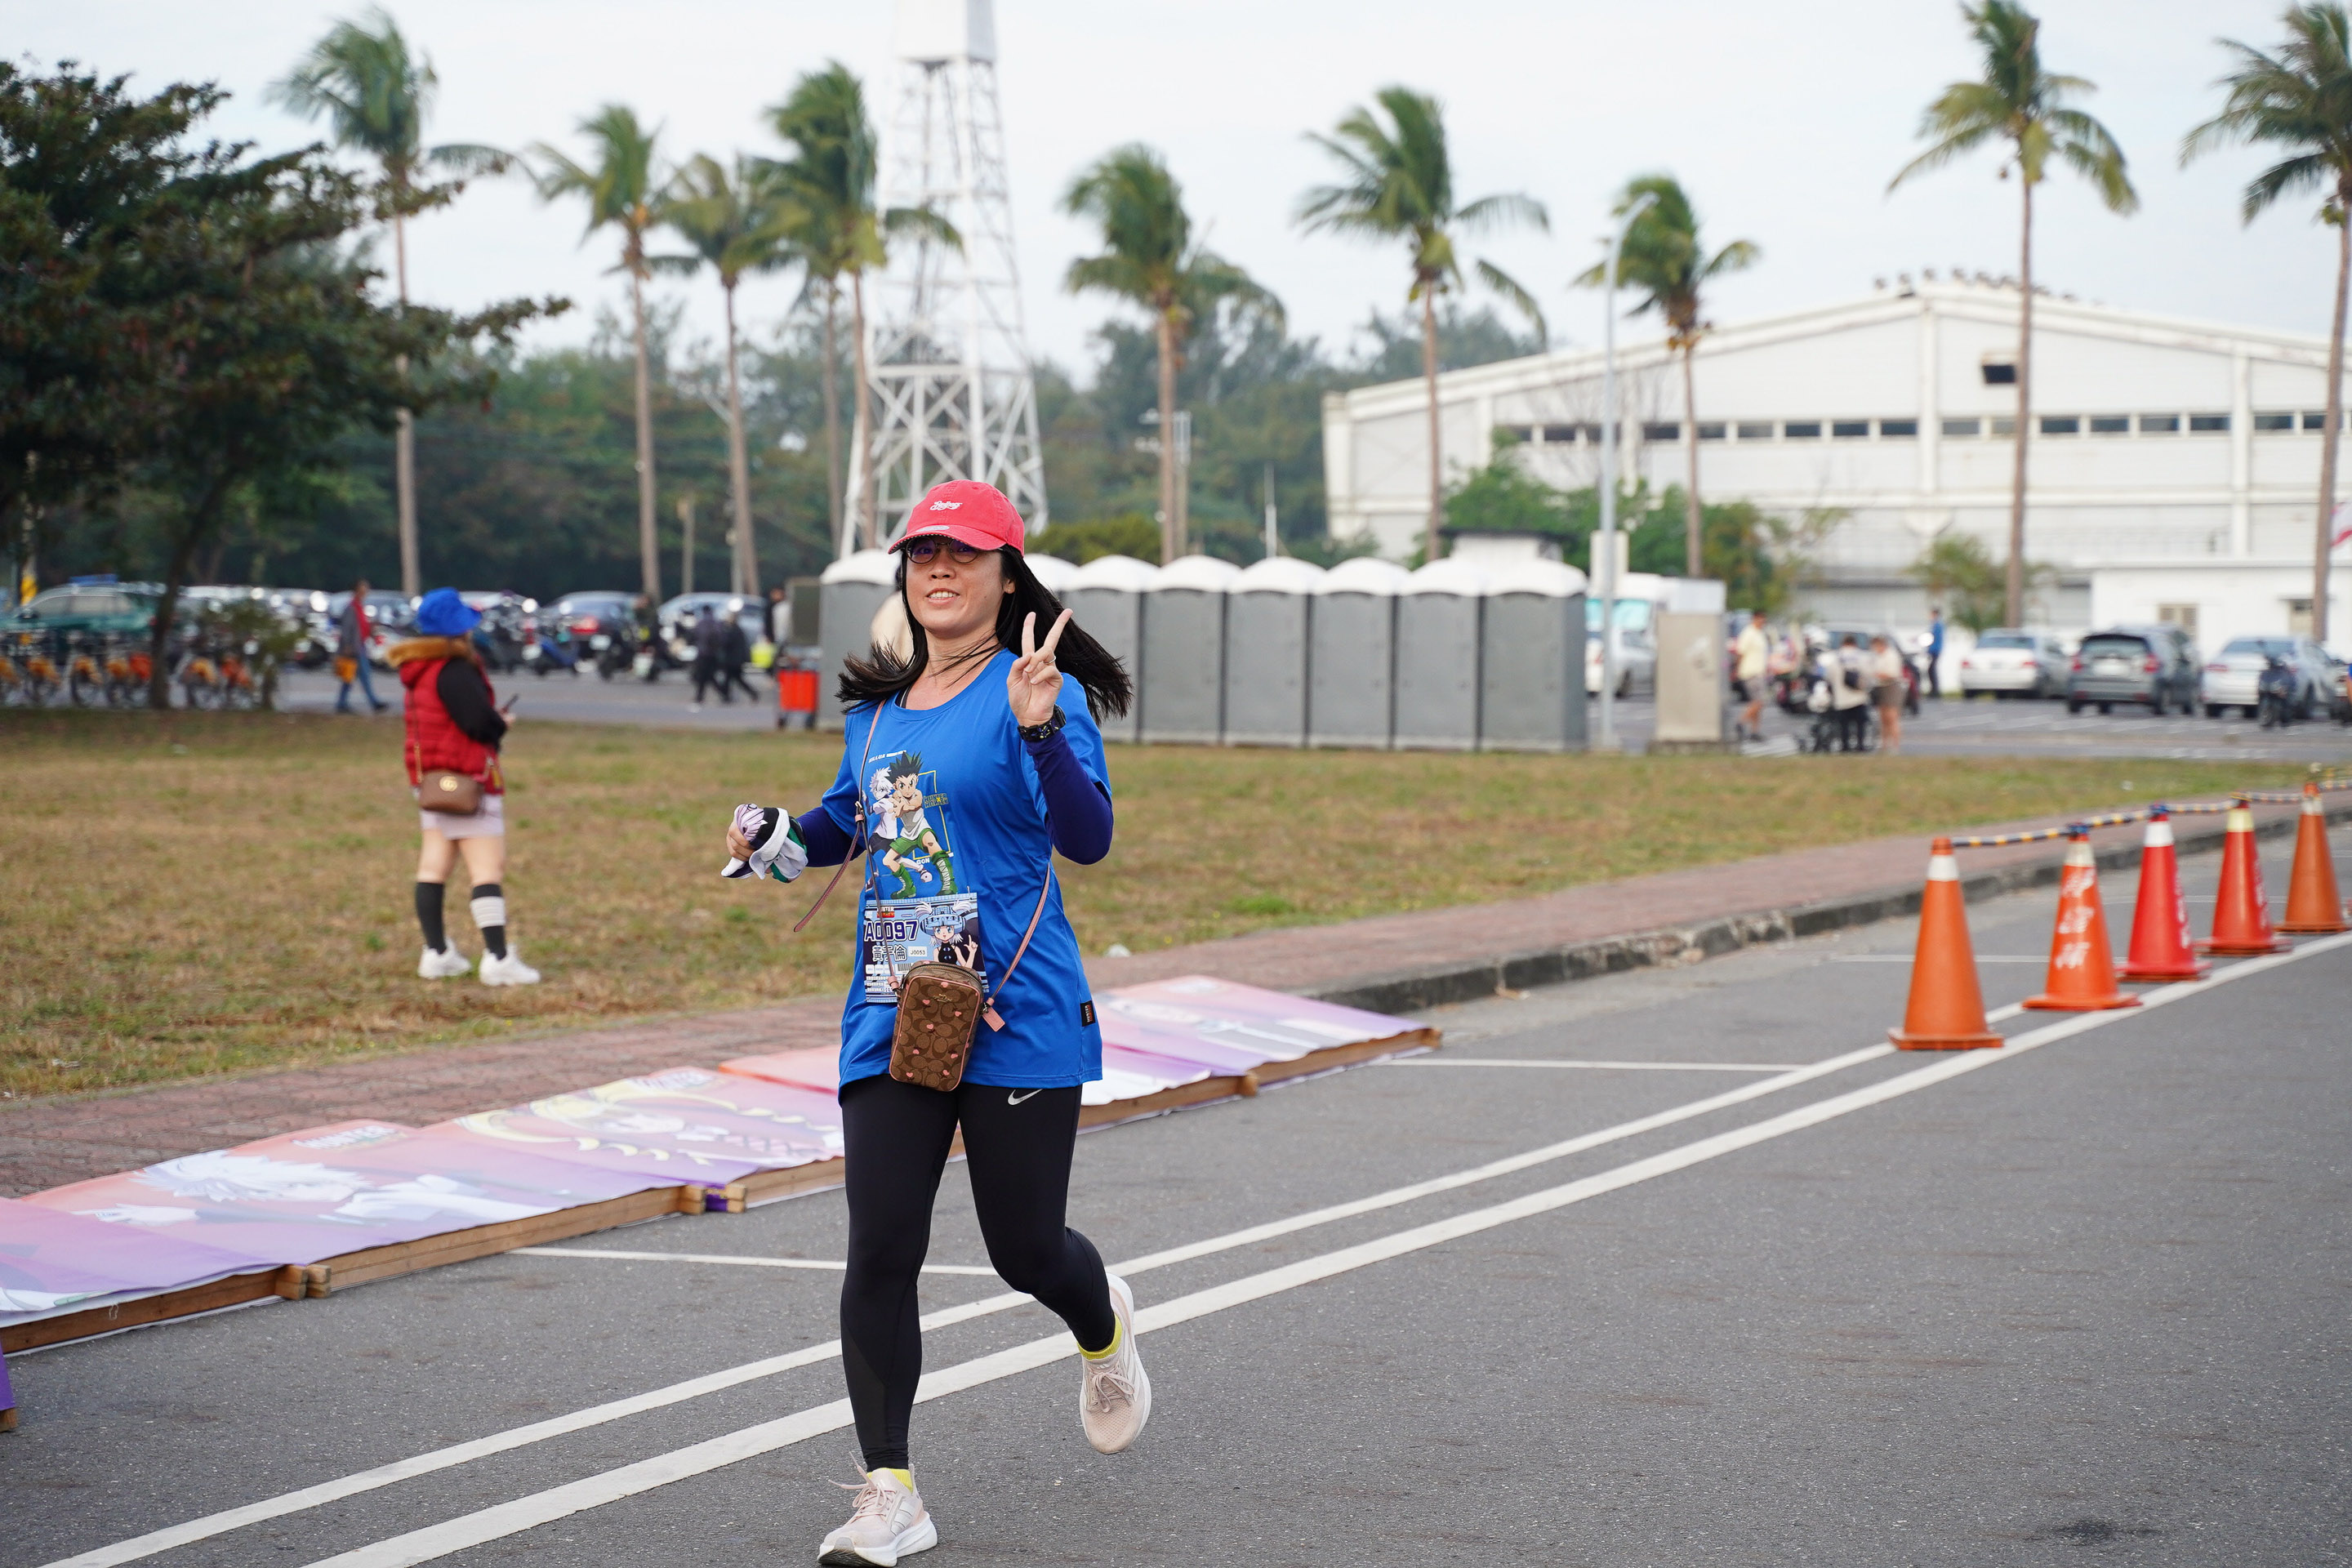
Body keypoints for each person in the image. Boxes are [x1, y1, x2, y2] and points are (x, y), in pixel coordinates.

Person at [726, 479, 1138, 1566]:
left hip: (1019, 1007)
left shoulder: (1036, 690)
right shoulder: (875, 711)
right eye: (920, 554)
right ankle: (891, 1491)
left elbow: (1088, 838)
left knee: (1025, 1250)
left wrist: (1042, 732)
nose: (938, 569)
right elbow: (846, 821)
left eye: (962, 553)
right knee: (881, 1244)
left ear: (1006, 576)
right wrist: (775, 838)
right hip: (896, 1006)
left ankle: (1101, 1323)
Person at [390, 588, 541, 987]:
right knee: (487, 869)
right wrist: (500, 723)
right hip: (468, 780)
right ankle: (498, 958)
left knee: (433, 866)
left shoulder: (419, 669)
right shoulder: (455, 669)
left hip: (431, 780)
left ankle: (436, 952)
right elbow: (476, 723)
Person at [334, 580, 388, 714]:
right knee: (360, 676)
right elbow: (347, 629)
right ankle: (373, 702)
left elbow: (362, 626)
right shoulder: (352, 608)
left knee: (350, 677)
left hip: (359, 645)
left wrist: (372, 634)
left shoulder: (359, 607)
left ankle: (342, 703)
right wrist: (347, 645)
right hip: (354, 647)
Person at [1828, 633, 1871, 752]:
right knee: (1860, 724)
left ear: (1843, 643)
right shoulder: (1860, 656)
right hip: (1858, 695)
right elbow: (1868, 673)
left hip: (1841, 696)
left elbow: (1830, 675)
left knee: (1844, 724)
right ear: (1855, 643)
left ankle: (1845, 746)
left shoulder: (1836, 657)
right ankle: (1860, 745)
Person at [1733, 609, 1771, 742]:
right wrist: (1736, 669)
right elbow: (1740, 652)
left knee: (1756, 702)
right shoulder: (1748, 633)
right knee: (1759, 702)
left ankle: (1755, 731)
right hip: (1751, 672)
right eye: (1760, 619)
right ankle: (1741, 722)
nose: (1762, 622)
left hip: (1759, 671)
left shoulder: (1760, 634)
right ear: (1754, 619)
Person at [1869, 634, 1907, 753]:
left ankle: (1895, 745)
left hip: (1892, 686)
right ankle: (1884, 745)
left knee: (1892, 717)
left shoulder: (1891, 656)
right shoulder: (1877, 657)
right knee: (1883, 718)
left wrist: (1877, 674)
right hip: (1880, 686)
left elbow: (1893, 674)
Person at [719, 608, 757, 703]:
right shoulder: (738, 630)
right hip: (736, 659)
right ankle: (726, 696)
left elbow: (727, 643)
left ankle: (726, 696)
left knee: (731, 679)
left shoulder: (732, 631)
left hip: (733, 660)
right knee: (734, 679)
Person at [1925, 605, 1946, 697]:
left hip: (1935, 650)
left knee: (1932, 670)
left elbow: (1933, 639)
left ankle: (1935, 691)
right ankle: (1934, 690)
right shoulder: (1935, 625)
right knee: (1931, 670)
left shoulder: (1937, 625)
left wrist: (1930, 649)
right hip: (1934, 650)